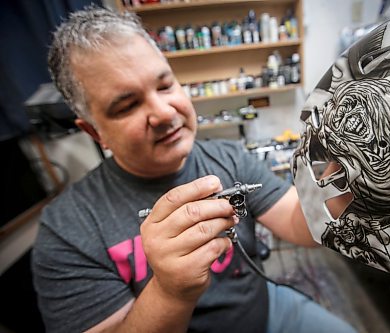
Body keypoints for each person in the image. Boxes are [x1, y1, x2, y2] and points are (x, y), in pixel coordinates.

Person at [31, 6, 357, 333]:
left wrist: (352, 169)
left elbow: (301, 223)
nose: (163, 112)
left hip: (269, 311)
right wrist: (170, 292)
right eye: (127, 105)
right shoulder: (66, 231)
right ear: (94, 132)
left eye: (165, 85)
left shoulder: (230, 158)